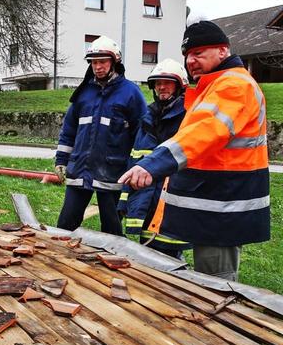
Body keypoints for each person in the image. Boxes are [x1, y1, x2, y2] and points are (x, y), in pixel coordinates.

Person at [119, 21, 270, 281]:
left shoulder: (233, 85)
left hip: (223, 205)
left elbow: (202, 133)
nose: (191, 60)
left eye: (198, 53)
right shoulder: (216, 85)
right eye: (188, 55)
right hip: (214, 202)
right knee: (207, 279)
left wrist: (152, 165)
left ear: (223, 51)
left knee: (216, 284)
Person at [55, 36, 147, 236]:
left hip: (113, 173)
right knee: (64, 226)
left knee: (111, 230)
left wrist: (138, 167)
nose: (97, 66)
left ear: (114, 62)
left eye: (102, 61)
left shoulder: (131, 93)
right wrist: (61, 160)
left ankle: (112, 262)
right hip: (80, 170)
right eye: (94, 62)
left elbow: (141, 134)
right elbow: (69, 129)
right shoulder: (83, 93)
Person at [119, 59, 191, 259]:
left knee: (171, 260)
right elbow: (134, 160)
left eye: (167, 82)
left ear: (180, 86)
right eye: (158, 83)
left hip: (172, 201)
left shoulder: (188, 119)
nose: (161, 87)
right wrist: (124, 201)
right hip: (146, 200)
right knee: (147, 256)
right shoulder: (147, 118)